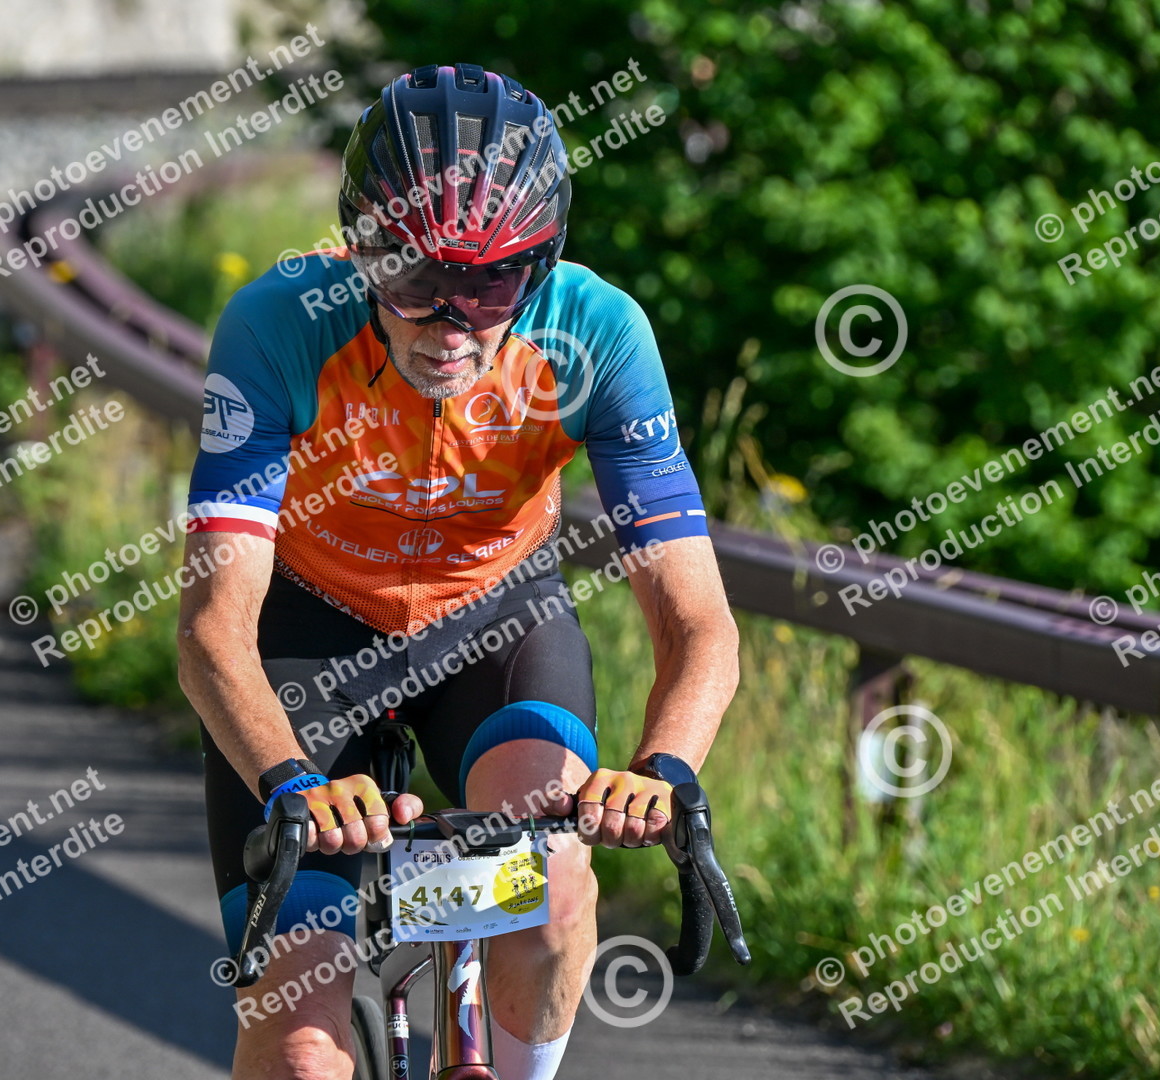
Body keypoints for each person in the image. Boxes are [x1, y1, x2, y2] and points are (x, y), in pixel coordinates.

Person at [176, 62, 739, 1080]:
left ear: (542, 265)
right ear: (359, 251)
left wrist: (665, 768)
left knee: (549, 892)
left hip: (495, 626)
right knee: (299, 1049)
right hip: (307, 639)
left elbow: (696, 620)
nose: (451, 326)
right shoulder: (280, 323)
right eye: (413, 282)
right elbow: (213, 625)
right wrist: (291, 779)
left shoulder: (596, 333)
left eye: (489, 286)